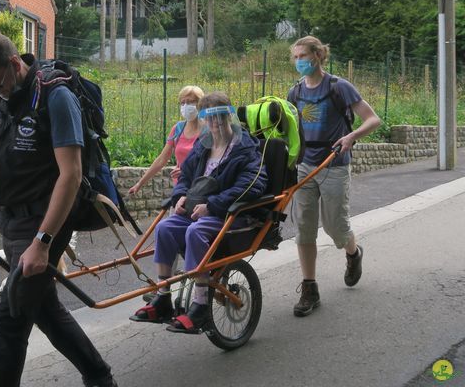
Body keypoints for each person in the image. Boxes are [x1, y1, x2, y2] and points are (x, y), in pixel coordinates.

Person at [0, 31, 116, 387]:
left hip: (43, 220)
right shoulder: (5, 98)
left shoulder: (56, 97)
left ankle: (98, 376)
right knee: (45, 310)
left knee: (12, 317)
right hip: (11, 221)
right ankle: (99, 377)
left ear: (14, 64)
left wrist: (43, 243)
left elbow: (71, 175)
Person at [129, 92, 268, 333]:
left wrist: (213, 205)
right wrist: (180, 195)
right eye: (209, 118)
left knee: (195, 231)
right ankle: (163, 297)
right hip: (198, 212)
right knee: (165, 227)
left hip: (230, 216)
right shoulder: (203, 146)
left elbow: (252, 185)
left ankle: (201, 306)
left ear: (228, 116)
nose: (215, 124)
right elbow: (185, 177)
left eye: (219, 117)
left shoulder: (245, 148)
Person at [287, 36, 381, 318]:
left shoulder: (339, 87)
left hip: (334, 164)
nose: (298, 61)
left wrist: (351, 136)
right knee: (304, 227)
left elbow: (373, 118)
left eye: (303, 55)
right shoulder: (295, 92)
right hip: (304, 166)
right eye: (295, 57)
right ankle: (309, 287)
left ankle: (353, 253)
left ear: (318, 56)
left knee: (335, 228)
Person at [128, 85, 204, 194]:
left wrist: (187, 171)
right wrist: (139, 184)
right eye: (182, 103)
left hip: (201, 189)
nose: (186, 106)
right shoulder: (178, 129)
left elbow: (213, 162)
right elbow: (162, 159)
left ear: (200, 104)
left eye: (190, 102)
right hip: (180, 188)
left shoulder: (208, 130)